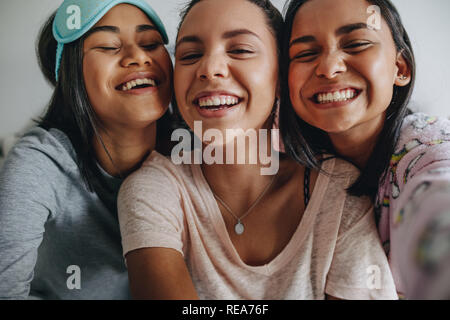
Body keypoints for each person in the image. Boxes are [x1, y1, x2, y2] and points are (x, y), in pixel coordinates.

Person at [117, 0, 397, 300]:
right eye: (191, 55)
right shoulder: (155, 189)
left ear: (282, 76)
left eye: (240, 50)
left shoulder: (339, 190)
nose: (209, 69)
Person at [0, 0, 173, 299]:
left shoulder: (196, 147)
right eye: (108, 46)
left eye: (151, 43)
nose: (138, 56)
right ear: (70, 74)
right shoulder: (38, 164)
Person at [281, 0, 450, 299]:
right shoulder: (282, 157)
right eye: (305, 53)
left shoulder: (427, 146)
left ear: (400, 67)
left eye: (357, 44)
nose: (329, 68)